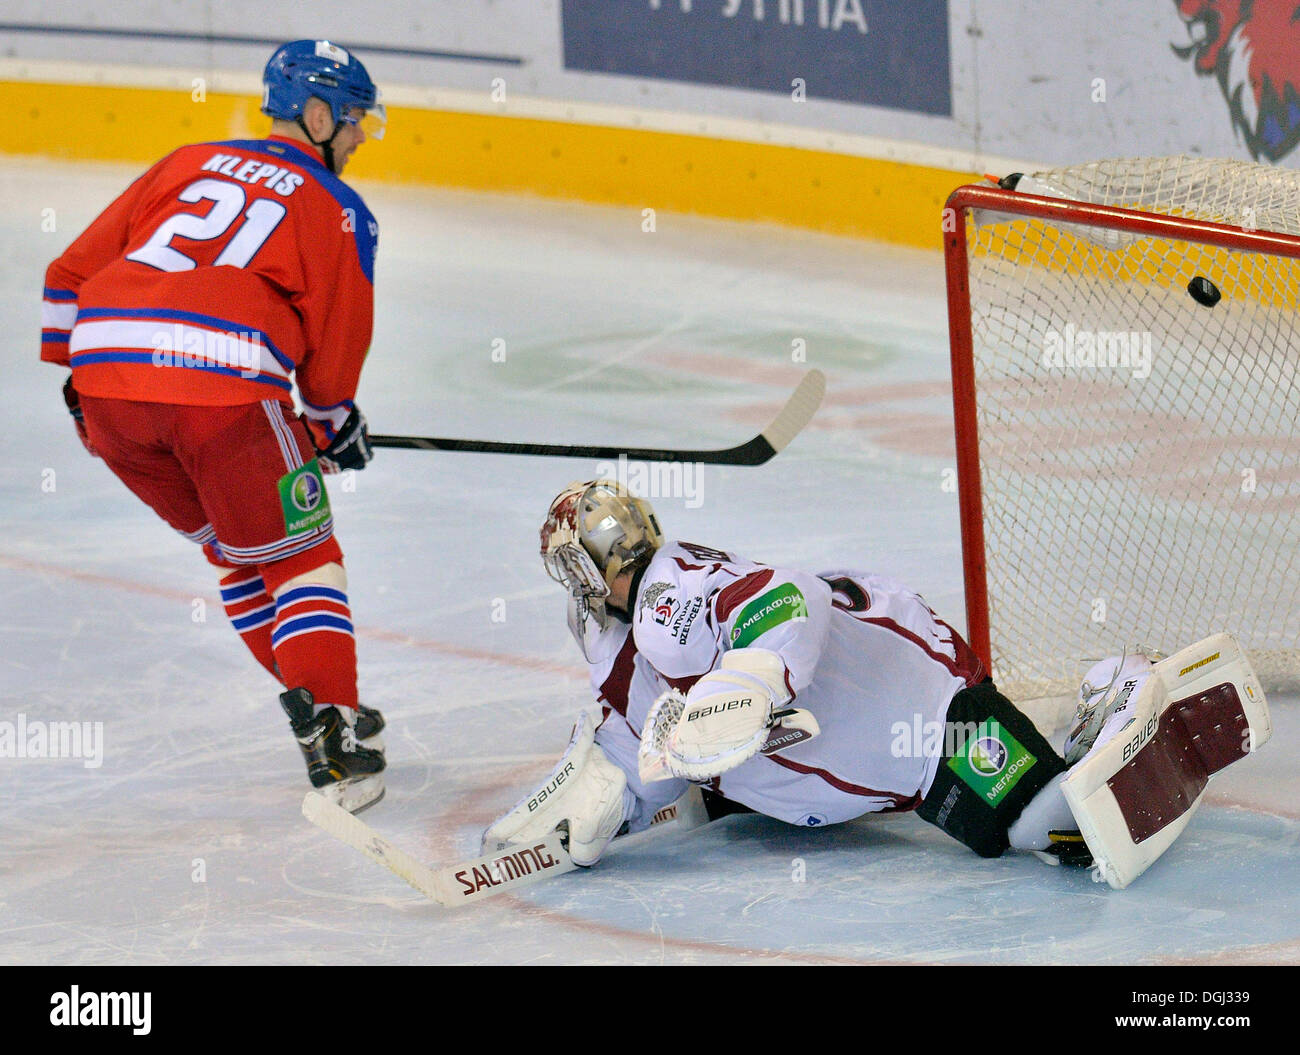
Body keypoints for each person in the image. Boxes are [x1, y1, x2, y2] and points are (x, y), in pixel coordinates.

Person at [482, 479, 1259, 879]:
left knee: (1053, 828)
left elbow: (788, 598)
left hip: (919, 710)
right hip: (874, 753)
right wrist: (606, 795)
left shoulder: (668, 595)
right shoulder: (625, 640)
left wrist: (752, 678)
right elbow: (651, 737)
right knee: (716, 785)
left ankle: (1121, 685)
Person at [41, 40, 389, 812]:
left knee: (238, 553)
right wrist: (332, 427)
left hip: (105, 387)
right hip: (222, 395)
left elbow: (67, 276)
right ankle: (333, 738)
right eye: (358, 120)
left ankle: (320, 705)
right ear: (320, 114)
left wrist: (80, 378)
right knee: (303, 559)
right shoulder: (338, 209)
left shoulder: (186, 159)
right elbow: (333, 357)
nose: (363, 138)